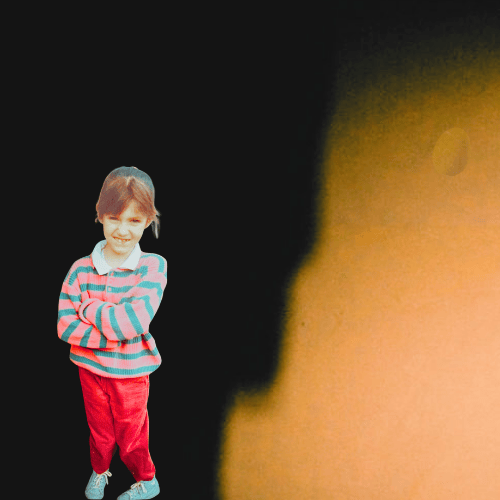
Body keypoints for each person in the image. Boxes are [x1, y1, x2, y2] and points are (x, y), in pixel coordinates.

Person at [57, 166, 166, 499]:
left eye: (134, 220)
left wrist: (89, 308)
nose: (122, 230)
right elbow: (65, 326)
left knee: (132, 434)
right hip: (90, 372)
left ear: (147, 221)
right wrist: (114, 330)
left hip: (131, 374)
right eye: (114, 218)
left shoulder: (153, 266)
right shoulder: (80, 269)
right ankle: (100, 470)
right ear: (100, 215)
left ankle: (147, 480)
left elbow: (131, 323)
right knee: (100, 431)